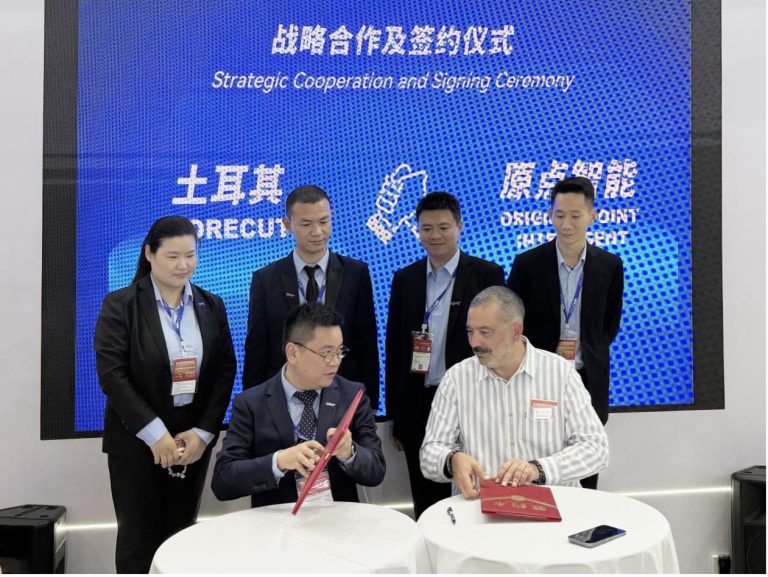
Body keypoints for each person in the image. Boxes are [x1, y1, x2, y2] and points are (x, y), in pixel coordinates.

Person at [94, 216, 236, 573]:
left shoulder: (211, 305)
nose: (183, 265)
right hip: (136, 443)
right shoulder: (121, 304)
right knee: (138, 541)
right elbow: (112, 375)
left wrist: (204, 433)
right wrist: (155, 434)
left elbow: (224, 371)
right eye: (172, 256)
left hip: (191, 444)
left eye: (190, 255)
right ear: (149, 254)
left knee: (181, 538)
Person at [420, 286, 608, 498]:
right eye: (470, 331)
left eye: (485, 332)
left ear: (516, 331)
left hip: (553, 504)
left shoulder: (560, 373)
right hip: (480, 506)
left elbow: (596, 449)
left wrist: (539, 469)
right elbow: (429, 454)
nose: (474, 342)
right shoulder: (457, 379)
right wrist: (451, 460)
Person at [385, 191, 505, 518]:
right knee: (424, 493)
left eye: (443, 227)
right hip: (419, 403)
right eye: (426, 228)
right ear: (417, 230)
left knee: (471, 493)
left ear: (459, 227)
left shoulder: (487, 274)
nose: (435, 235)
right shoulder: (405, 278)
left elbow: (499, 343)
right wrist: (396, 415)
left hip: (471, 400)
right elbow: (395, 348)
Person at [506, 176, 623, 489]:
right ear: (549, 214)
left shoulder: (609, 265)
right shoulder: (527, 264)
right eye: (559, 215)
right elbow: (512, 323)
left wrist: (588, 354)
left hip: (587, 379)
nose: (566, 224)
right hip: (538, 379)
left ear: (592, 216)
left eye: (575, 215)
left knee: (586, 464)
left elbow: (609, 325)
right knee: (536, 466)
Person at [212, 303, 385, 507]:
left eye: (340, 351)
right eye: (327, 353)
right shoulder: (251, 403)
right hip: (277, 519)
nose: (335, 361)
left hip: (337, 515)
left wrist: (349, 452)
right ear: (293, 352)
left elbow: (376, 471)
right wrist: (279, 461)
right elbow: (223, 480)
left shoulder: (352, 394)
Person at [242, 184, 380, 411]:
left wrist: (370, 402)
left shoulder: (356, 273)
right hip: (282, 399)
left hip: (341, 395)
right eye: (306, 224)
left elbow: (366, 342)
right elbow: (257, 348)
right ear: (288, 225)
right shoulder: (265, 279)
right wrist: (251, 405)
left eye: (324, 222)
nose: (317, 232)